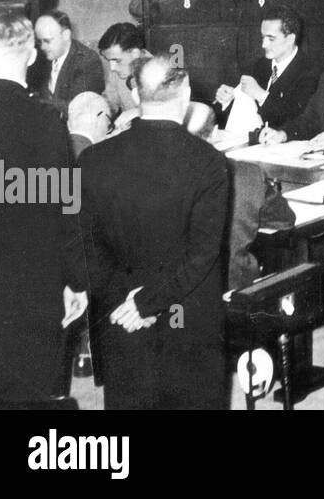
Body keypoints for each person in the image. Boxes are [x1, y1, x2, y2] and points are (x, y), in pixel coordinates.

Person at [80, 57, 229, 409]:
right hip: (185, 312)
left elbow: (83, 242)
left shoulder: (92, 159)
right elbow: (202, 255)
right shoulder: (208, 162)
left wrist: (127, 300)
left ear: (135, 94)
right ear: (187, 93)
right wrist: (149, 302)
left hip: (119, 313)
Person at [0, 14, 88, 408]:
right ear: (29, 57)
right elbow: (68, 210)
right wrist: (76, 280)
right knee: (36, 395)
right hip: (37, 284)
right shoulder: (48, 122)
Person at [214, 5, 321, 131]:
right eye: (263, 37)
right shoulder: (260, 65)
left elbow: (297, 120)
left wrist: (261, 95)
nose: (264, 45)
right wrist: (225, 99)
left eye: (271, 39)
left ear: (290, 39)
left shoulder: (310, 72)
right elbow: (226, 116)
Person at [30, 11, 108, 111]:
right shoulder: (40, 57)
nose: (42, 47)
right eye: (39, 41)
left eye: (47, 41)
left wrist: (34, 102)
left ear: (66, 35)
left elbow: (77, 108)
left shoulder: (87, 60)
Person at [97, 22, 149, 120]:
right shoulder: (117, 72)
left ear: (135, 53)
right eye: (109, 61)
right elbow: (110, 102)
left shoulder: (160, 73)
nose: (112, 68)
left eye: (117, 60)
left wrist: (135, 113)